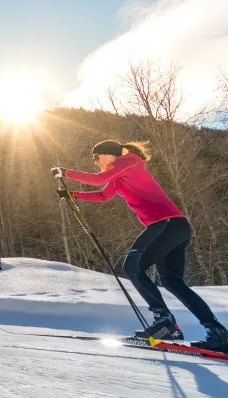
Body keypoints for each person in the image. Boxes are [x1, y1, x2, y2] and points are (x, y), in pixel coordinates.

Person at [52, 140, 227, 352]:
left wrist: (65, 172)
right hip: (176, 227)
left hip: (165, 224)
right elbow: (103, 195)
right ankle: (218, 333)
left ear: (108, 155)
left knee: (132, 267)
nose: (95, 162)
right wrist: (73, 196)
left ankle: (165, 322)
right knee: (173, 282)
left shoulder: (128, 162)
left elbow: (98, 180)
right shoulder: (119, 173)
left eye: (96, 157)